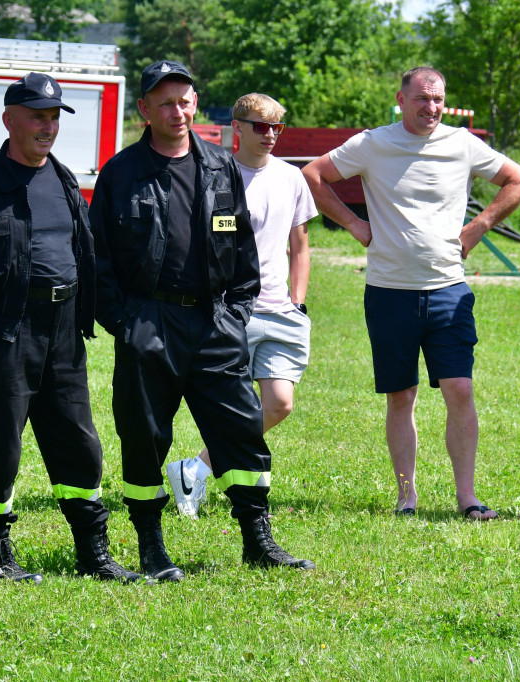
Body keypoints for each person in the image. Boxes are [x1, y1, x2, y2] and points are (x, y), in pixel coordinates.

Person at [89, 60, 314, 582]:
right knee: (145, 437)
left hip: (215, 323)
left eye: (185, 100)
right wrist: (126, 322)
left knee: (240, 432)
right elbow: (97, 257)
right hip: (150, 323)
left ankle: (259, 543)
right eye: (165, 102)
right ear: (144, 109)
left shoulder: (221, 166)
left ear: (196, 103)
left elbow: (243, 253)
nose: (178, 111)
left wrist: (234, 315)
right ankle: (151, 548)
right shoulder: (122, 172)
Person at [0, 72, 142, 583]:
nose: (47, 128)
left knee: (78, 440)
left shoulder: (66, 179)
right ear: (9, 120)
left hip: (64, 327)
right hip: (4, 331)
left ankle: (93, 553)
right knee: (1, 444)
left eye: (53, 118)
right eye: (36, 117)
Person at [302, 66, 520, 521]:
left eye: (438, 99)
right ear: (402, 100)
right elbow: (313, 175)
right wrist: (353, 224)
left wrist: (479, 226)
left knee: (460, 389)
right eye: (422, 99)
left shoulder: (462, 144)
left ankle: (467, 498)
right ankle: (407, 496)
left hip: (448, 289)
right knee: (401, 395)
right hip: (389, 291)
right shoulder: (373, 143)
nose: (431, 107)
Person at [167, 93, 318, 518]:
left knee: (279, 405)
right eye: (260, 126)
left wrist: (299, 302)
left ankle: (195, 467)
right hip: (234, 312)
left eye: (276, 128)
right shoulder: (218, 175)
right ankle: (212, 482)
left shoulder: (291, 178)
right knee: (233, 408)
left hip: (282, 313)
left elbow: (300, 245)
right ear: (238, 127)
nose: (269, 135)